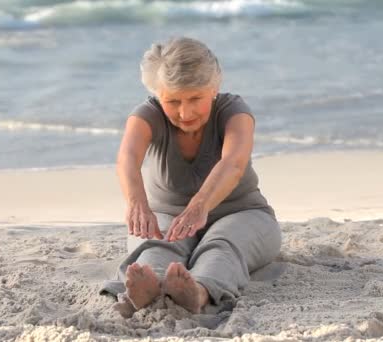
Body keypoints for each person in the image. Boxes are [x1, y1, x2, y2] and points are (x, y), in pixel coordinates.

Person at [100, 37, 282, 317]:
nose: (185, 113)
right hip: (168, 216)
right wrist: (138, 203)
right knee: (157, 245)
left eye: (195, 98)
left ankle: (198, 291)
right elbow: (127, 159)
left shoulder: (234, 111)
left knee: (221, 245)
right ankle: (148, 288)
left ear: (214, 88)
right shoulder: (146, 115)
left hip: (243, 213)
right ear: (158, 94)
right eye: (172, 101)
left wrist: (199, 207)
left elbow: (233, 163)